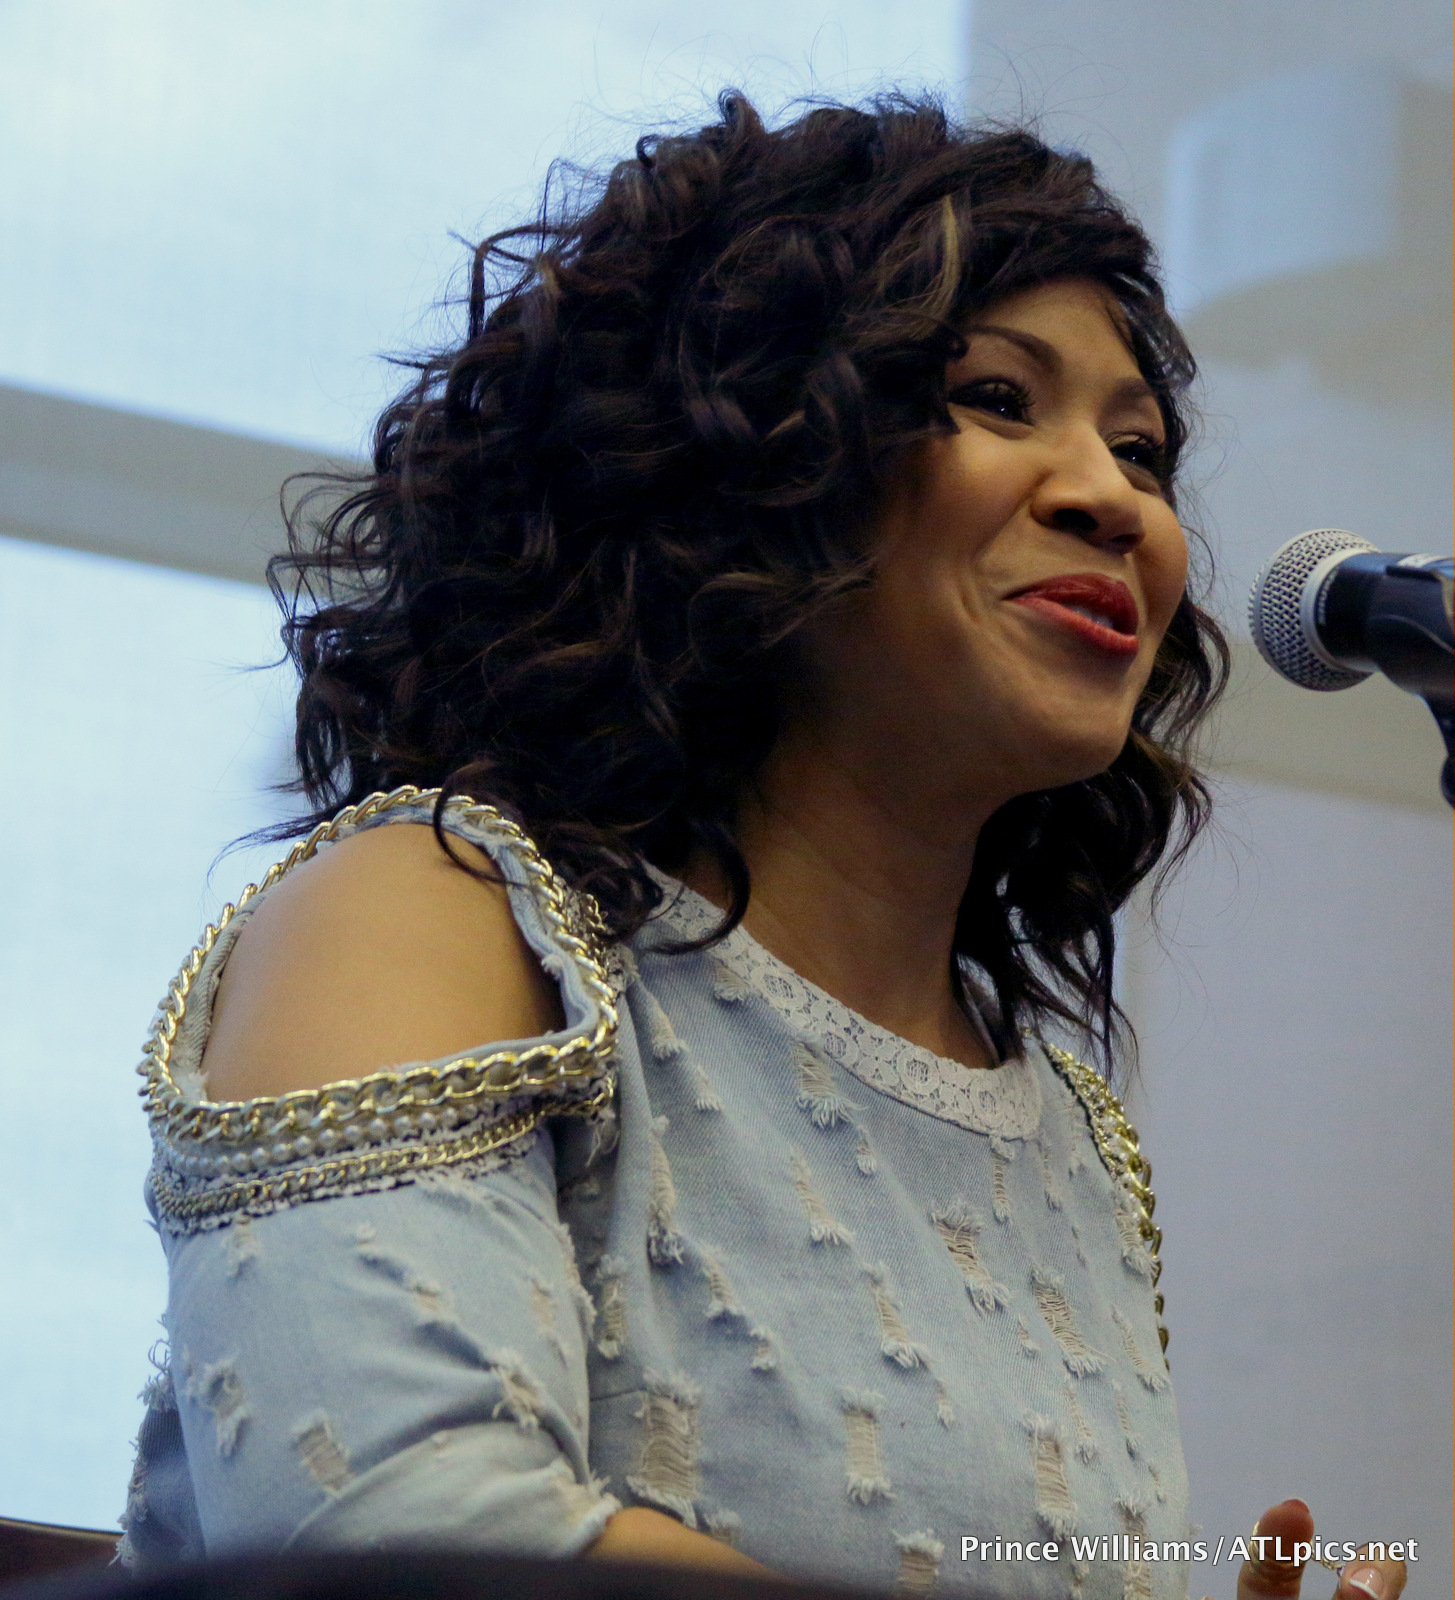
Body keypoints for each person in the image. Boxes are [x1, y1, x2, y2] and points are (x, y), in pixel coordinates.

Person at [120, 94, 1404, 1600]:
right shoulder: (443, 910)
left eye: (1141, 449)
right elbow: (401, 1539)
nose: (1113, 498)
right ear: (737, 462)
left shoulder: (1073, 1140)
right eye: (999, 399)